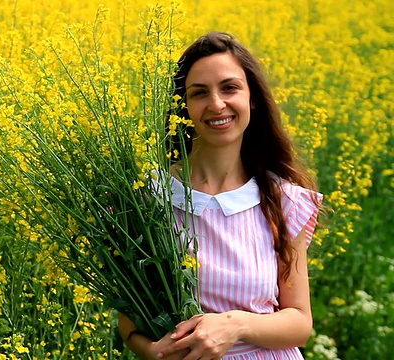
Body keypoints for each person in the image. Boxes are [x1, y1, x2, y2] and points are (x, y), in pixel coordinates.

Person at [117, 32, 324, 360]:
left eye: (229, 88)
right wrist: (154, 352)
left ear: (251, 97)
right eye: (199, 93)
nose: (216, 104)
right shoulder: (148, 200)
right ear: (182, 106)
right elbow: (129, 323)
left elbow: (299, 321)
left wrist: (237, 325)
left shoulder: (283, 200)